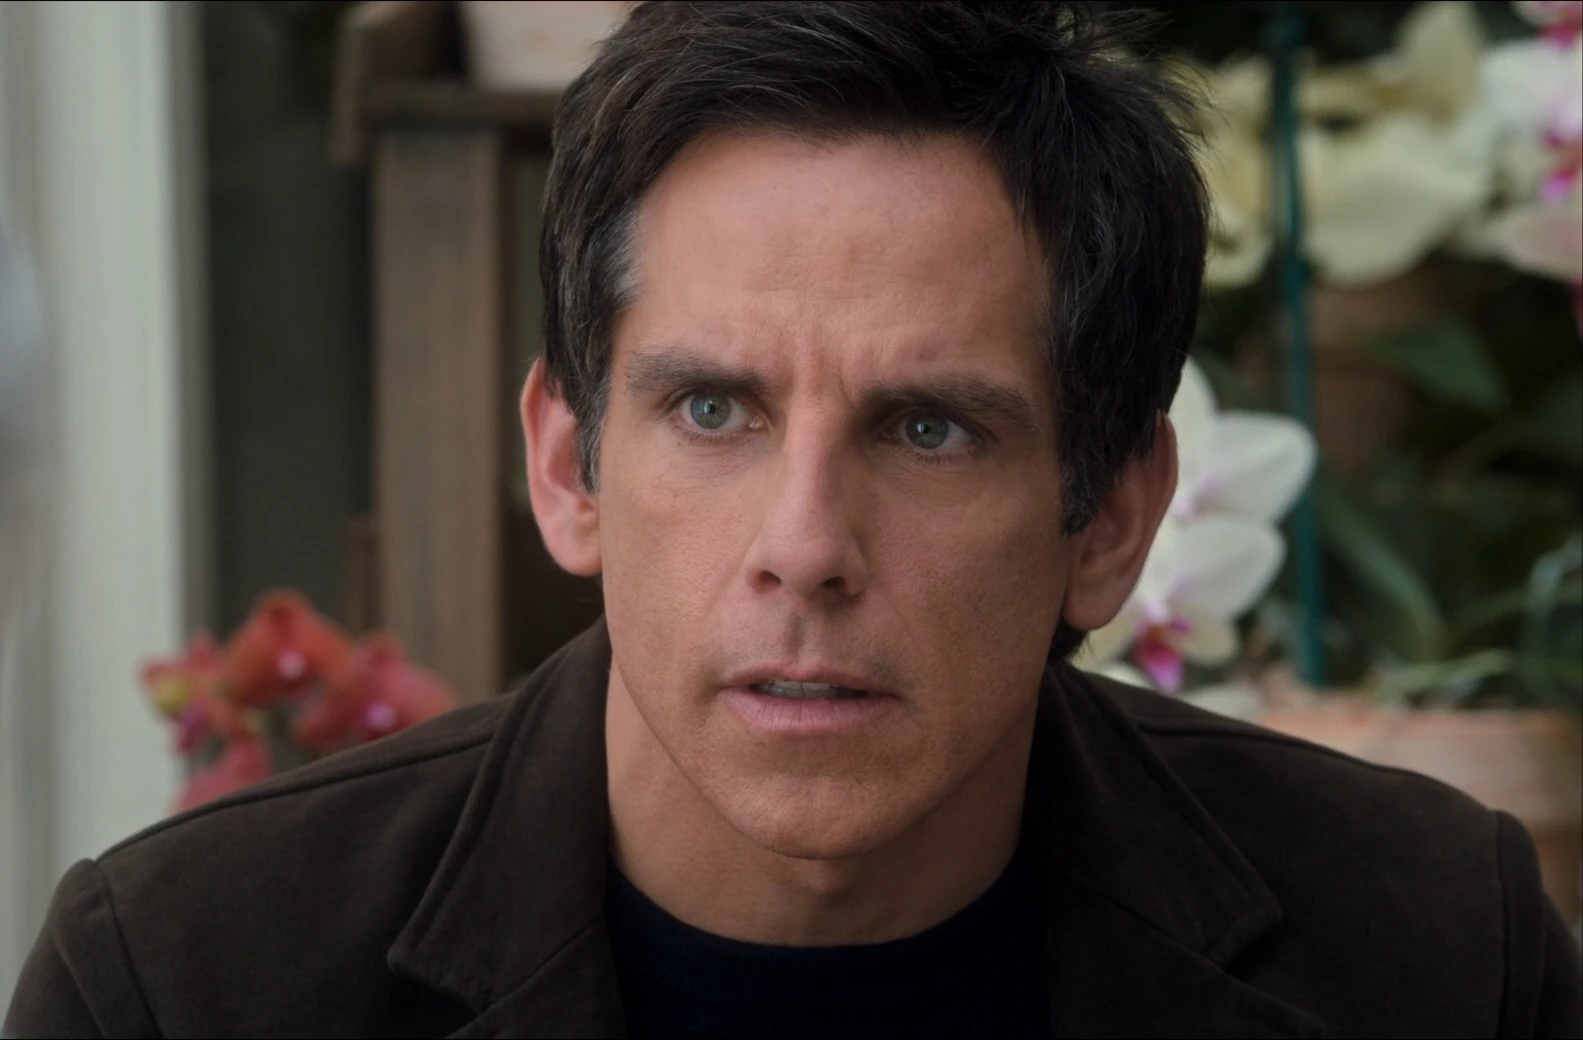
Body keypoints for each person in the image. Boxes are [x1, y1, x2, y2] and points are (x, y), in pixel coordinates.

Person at [7, 3, 1580, 1037]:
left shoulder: (1432, 955)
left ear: (1109, 518)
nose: (805, 545)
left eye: (927, 428)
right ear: (566, 468)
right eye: (713, 411)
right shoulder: (186, 983)